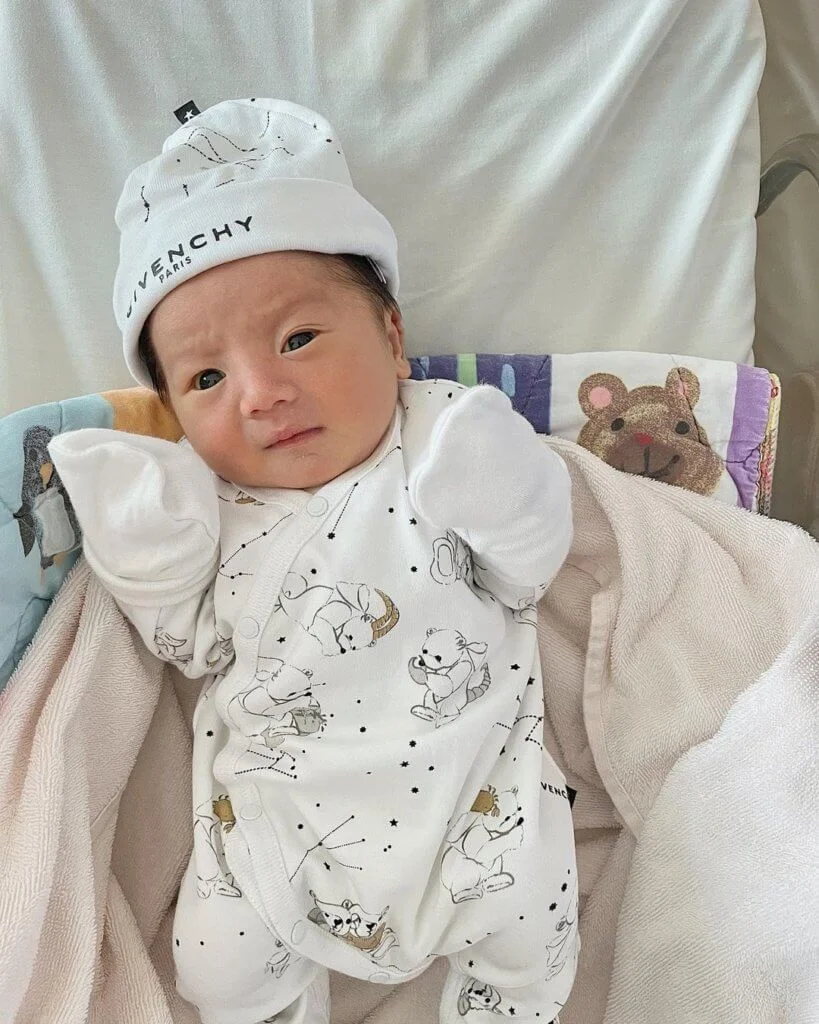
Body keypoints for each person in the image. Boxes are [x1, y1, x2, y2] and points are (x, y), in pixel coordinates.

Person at [49, 98, 578, 1024]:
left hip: (480, 806)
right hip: (276, 827)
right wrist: (148, 544)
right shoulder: (210, 502)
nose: (261, 394)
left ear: (392, 338)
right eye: (206, 378)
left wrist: (501, 482)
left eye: (297, 339)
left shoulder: (441, 440)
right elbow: (187, 644)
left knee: (529, 950)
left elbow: (524, 573)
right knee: (215, 974)